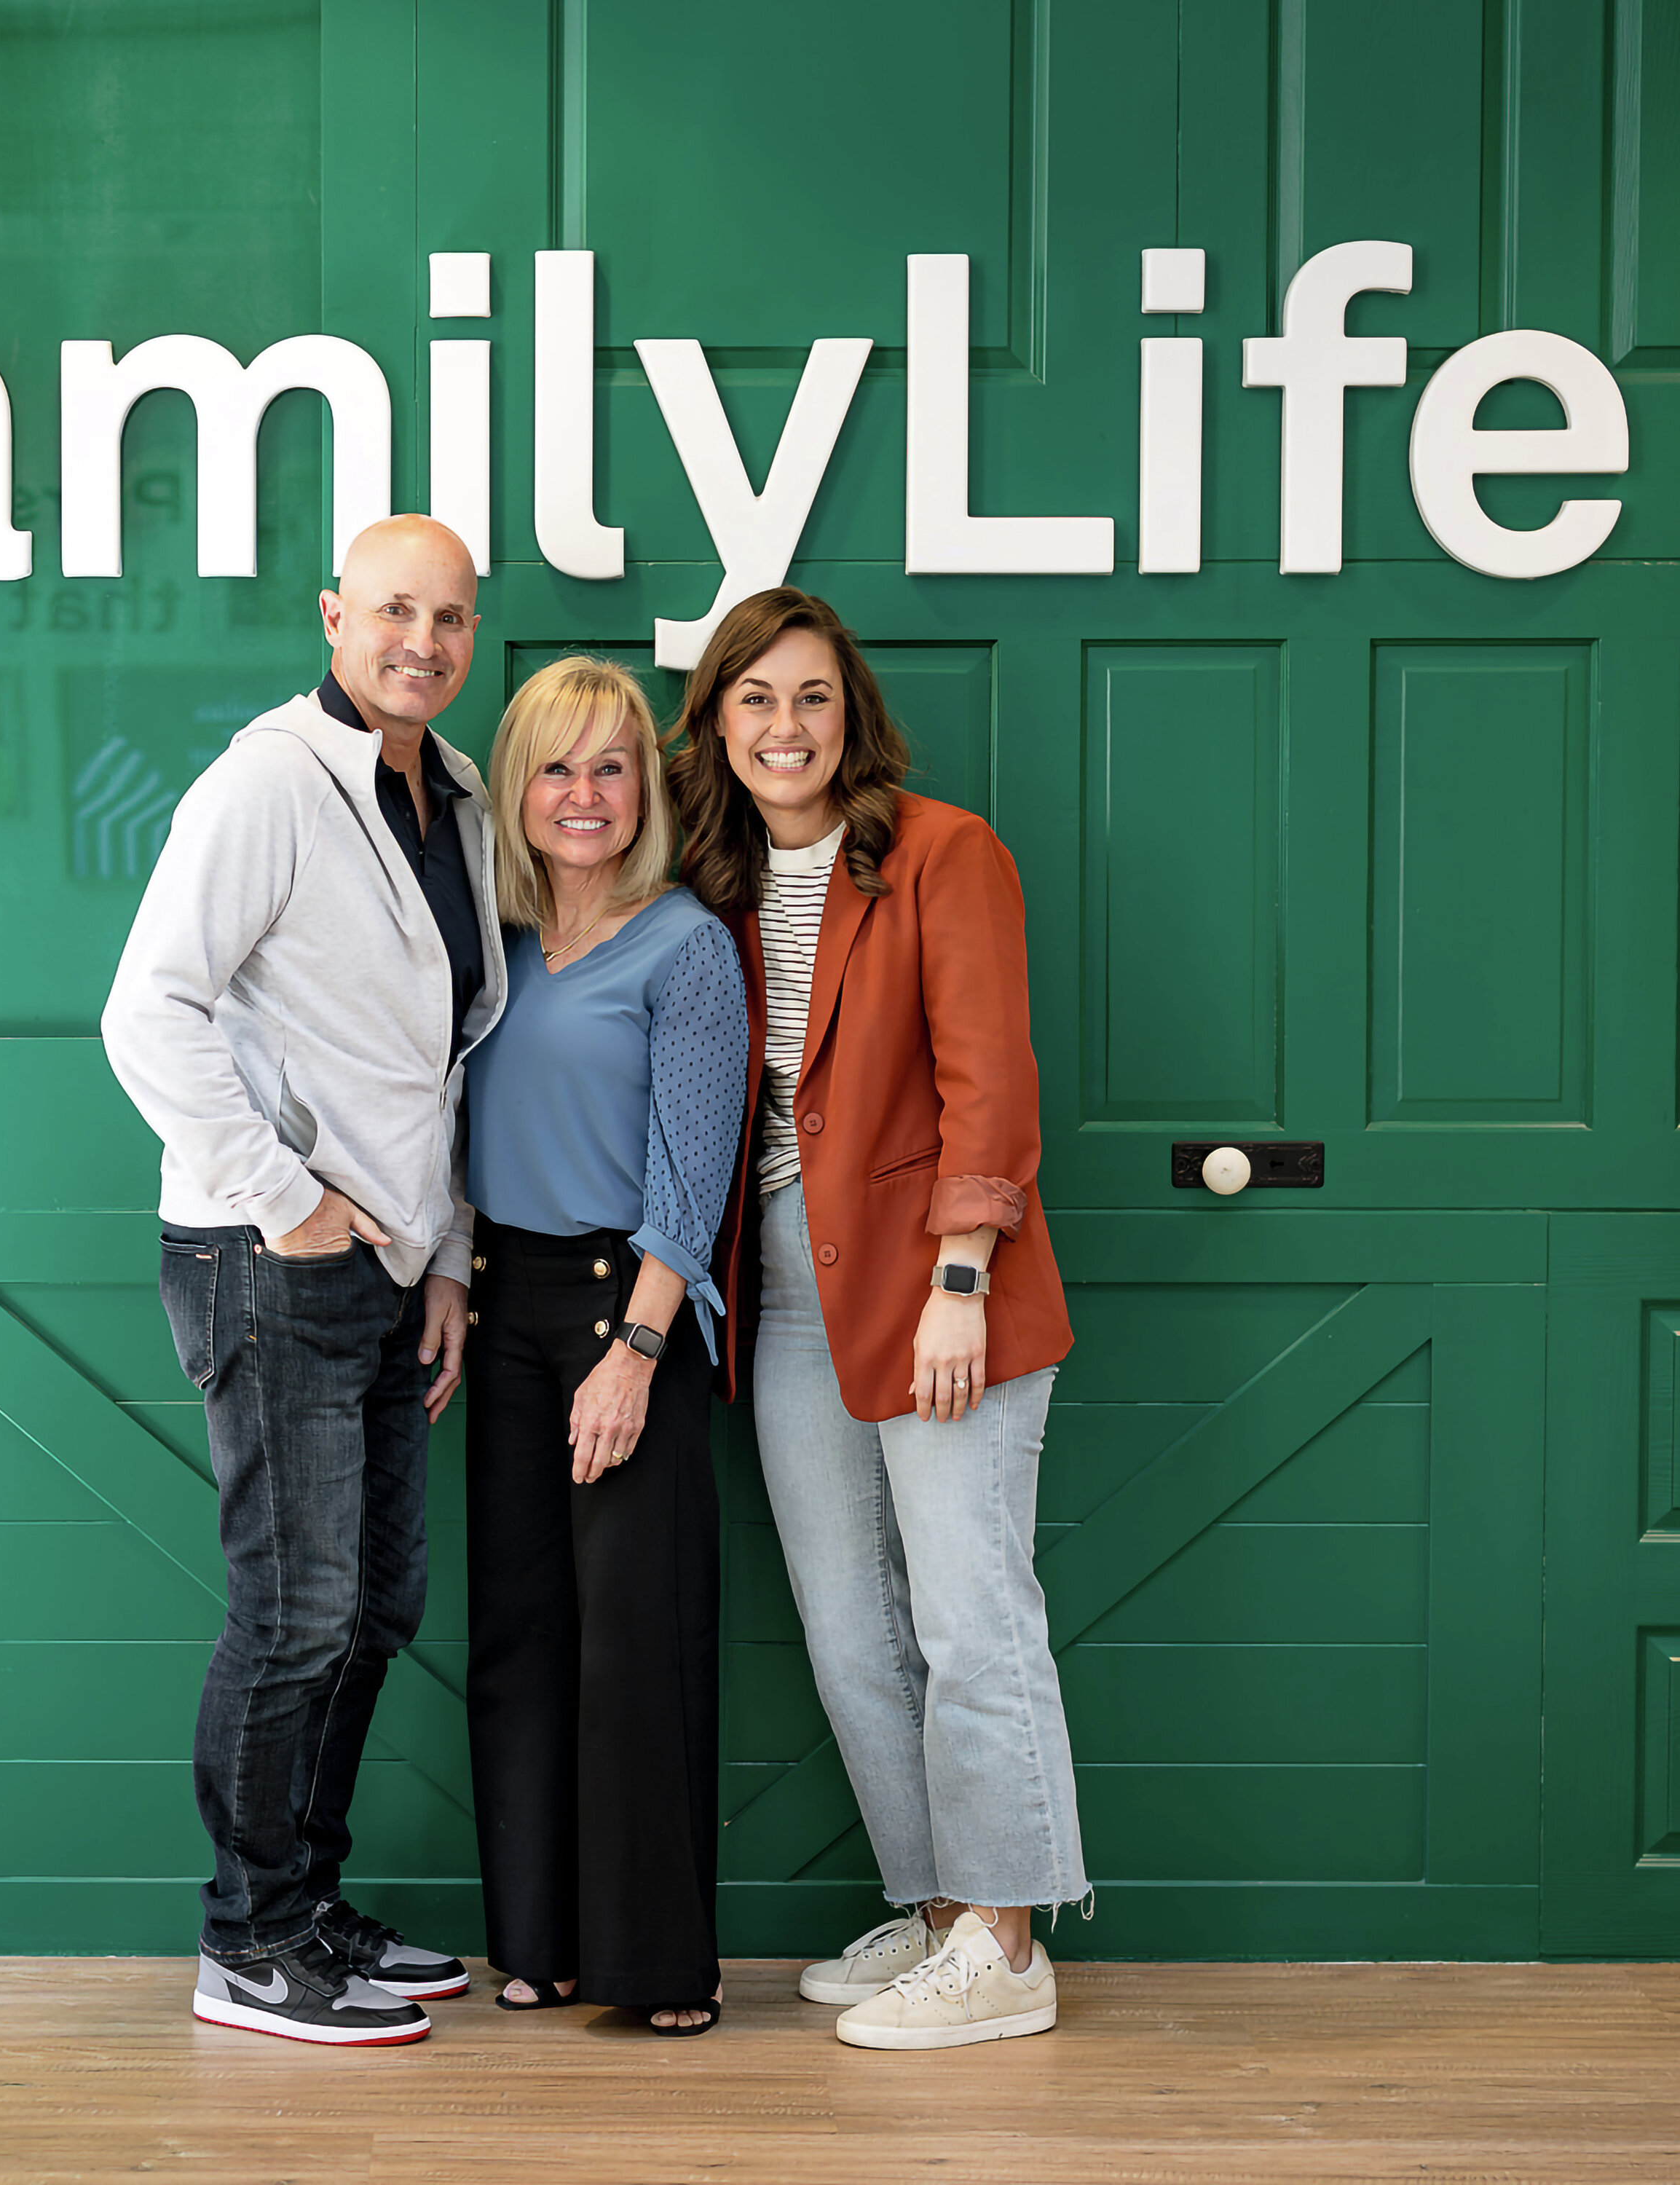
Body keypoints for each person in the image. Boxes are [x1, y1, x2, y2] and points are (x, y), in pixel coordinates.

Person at [100, 515, 505, 2047]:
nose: (421, 641)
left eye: (448, 618)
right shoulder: (269, 781)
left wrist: (446, 1254)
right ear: (334, 616)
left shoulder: (456, 794)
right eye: (393, 610)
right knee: (295, 1613)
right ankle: (249, 1942)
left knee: (374, 1607)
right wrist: (285, 1202)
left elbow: (437, 1062)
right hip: (265, 1257)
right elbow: (148, 1011)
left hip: (391, 1265)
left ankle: (310, 1907)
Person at [669, 588, 1087, 2054]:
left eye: (813, 697)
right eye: (756, 698)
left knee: (973, 1613)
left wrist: (962, 1280)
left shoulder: (940, 852)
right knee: (850, 1627)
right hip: (785, 1285)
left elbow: (991, 1078)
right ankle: (940, 1910)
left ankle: (1008, 1942)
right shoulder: (712, 881)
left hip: (934, 1271)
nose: (786, 726)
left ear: (851, 718)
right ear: (717, 723)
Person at [461, 658, 748, 2036]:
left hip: (626, 1307)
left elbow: (697, 1174)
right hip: (503, 1305)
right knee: (519, 1641)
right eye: (557, 768)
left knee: (638, 1645)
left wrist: (632, 1352)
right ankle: (540, 1943)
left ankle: (660, 1965)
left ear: (647, 789)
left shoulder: (686, 947)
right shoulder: (493, 948)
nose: (585, 795)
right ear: (518, 790)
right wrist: (454, 1278)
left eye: (612, 767)